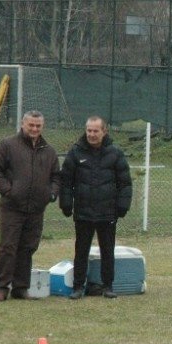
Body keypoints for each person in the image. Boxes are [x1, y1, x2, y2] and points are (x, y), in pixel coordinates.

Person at [0, 110, 60, 302]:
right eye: (31, 125)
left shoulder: (49, 151)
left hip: (36, 208)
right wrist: (9, 191)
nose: (35, 129)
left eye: (38, 126)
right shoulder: (8, 145)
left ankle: (21, 287)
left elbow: (56, 177)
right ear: (23, 124)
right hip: (12, 207)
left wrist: (51, 193)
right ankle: (1, 287)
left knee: (28, 248)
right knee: (8, 247)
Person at [59, 116, 133, 300]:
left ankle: (108, 286)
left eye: (95, 131)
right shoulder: (76, 153)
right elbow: (66, 181)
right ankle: (78, 287)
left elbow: (125, 183)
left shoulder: (115, 153)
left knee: (108, 251)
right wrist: (66, 203)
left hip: (107, 212)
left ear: (104, 132)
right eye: (89, 130)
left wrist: (123, 206)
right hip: (83, 212)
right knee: (81, 251)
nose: (91, 134)